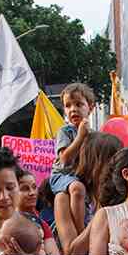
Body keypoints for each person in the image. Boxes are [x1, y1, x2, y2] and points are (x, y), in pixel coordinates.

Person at [54, 132, 122, 255]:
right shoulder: (64, 198)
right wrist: (101, 218)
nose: (115, 167)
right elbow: (72, 254)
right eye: (111, 160)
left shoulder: (118, 197)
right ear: (92, 161)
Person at [49, 83, 97, 232]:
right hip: (63, 175)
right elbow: (64, 159)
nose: (73, 109)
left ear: (90, 107)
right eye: (68, 106)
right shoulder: (65, 131)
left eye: (78, 104)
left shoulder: (94, 135)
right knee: (77, 188)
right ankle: (80, 231)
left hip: (81, 176)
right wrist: (80, 137)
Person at [15, 169, 60, 255]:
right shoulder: (4, 222)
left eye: (34, 187)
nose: (32, 193)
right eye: (25, 189)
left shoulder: (42, 225)